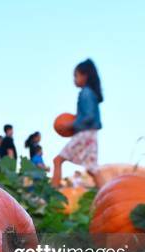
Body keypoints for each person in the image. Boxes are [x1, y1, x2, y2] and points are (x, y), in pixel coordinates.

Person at [52, 59, 102, 187]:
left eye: (76, 75)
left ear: (85, 76)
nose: (74, 79)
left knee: (57, 160)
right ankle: (109, 195)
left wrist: (71, 125)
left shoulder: (85, 93)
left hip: (85, 133)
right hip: (91, 134)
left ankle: (51, 195)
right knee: (92, 169)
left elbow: (89, 116)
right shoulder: (91, 93)